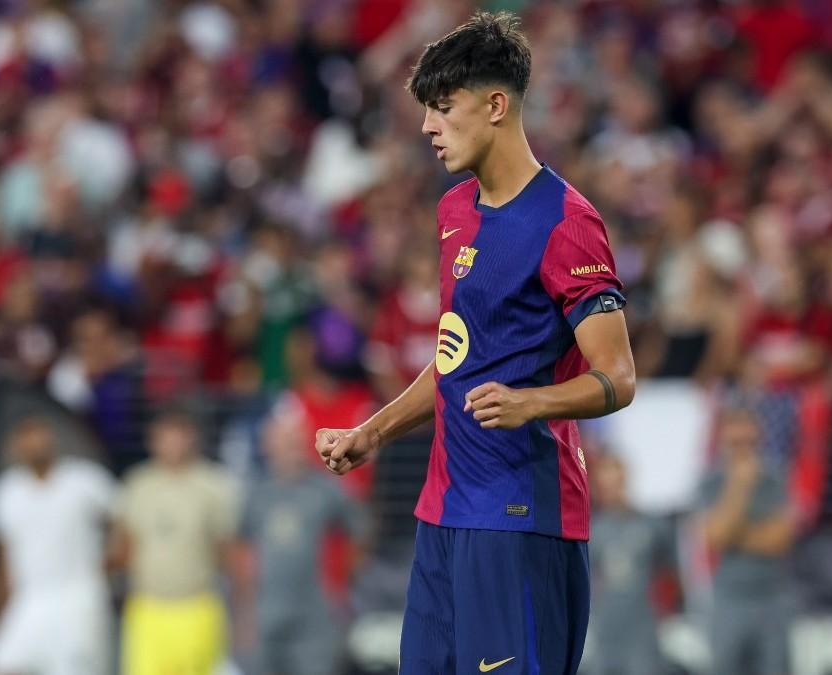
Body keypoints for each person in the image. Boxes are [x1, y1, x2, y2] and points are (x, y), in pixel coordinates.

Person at [315, 11, 636, 674]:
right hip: (443, 512)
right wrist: (372, 433)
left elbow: (618, 376)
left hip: (522, 515)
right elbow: (457, 358)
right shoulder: (454, 211)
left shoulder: (567, 223)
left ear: (495, 104)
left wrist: (530, 403)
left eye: (442, 108)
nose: (428, 127)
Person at [235, 408, 366, 675]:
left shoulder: (326, 489)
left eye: (296, 439)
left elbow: (360, 532)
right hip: (266, 615)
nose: (291, 447)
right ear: (267, 445)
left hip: (315, 617)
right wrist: (245, 613)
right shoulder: (256, 493)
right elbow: (242, 552)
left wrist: (342, 585)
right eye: (283, 440)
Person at [0, 417, 116, 675]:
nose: (34, 445)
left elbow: (121, 525)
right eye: (26, 439)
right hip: (28, 601)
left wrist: (107, 565)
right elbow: (3, 562)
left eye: (39, 436)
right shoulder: (6, 492)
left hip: (78, 601)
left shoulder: (86, 480)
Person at [112, 408, 240, 675]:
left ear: (191, 439)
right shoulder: (138, 484)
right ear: (153, 441)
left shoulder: (213, 485)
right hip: (148, 608)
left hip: (197, 606)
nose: (172, 445)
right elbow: (125, 545)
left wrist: (240, 610)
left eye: (178, 437)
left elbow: (227, 551)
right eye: (165, 437)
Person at [697, 407, 796, 675]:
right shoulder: (710, 482)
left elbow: (779, 540)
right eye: (735, 441)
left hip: (772, 598)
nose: (743, 448)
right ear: (724, 439)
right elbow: (714, 538)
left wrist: (735, 533)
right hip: (729, 599)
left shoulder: (776, 478)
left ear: (759, 436)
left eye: (748, 441)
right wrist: (739, 487)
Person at [587, 454, 672, 675]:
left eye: (616, 482)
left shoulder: (652, 525)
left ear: (625, 479)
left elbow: (670, 574)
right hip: (604, 630)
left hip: (642, 631)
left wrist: (667, 615)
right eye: (605, 484)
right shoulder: (590, 530)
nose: (612, 490)